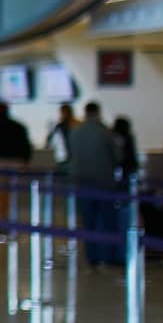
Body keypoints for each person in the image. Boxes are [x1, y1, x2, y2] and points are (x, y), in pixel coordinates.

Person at [68, 101, 120, 266]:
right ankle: (110, 255)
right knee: (107, 220)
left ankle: (92, 257)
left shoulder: (75, 133)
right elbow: (118, 157)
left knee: (88, 221)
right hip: (104, 181)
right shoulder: (105, 132)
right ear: (98, 113)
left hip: (81, 181)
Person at [111, 116, 139, 189]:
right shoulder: (129, 137)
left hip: (117, 166)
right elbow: (131, 153)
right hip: (128, 166)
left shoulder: (112, 137)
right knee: (127, 188)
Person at [48, 102, 75, 171]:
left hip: (68, 160)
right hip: (66, 160)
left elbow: (50, 142)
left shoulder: (60, 127)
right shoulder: (59, 128)